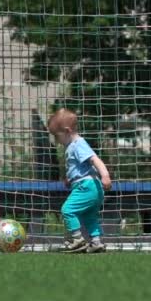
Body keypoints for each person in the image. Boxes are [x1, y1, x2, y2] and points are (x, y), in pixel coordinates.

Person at [47, 108, 112, 253]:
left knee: (67, 210)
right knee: (89, 216)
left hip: (87, 186)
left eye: (57, 136)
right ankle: (96, 242)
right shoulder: (72, 146)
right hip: (89, 186)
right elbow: (79, 167)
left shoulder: (78, 144)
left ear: (67, 130)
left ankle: (77, 240)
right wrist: (69, 178)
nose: (56, 141)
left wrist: (105, 175)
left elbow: (94, 159)